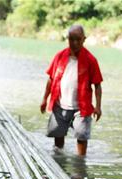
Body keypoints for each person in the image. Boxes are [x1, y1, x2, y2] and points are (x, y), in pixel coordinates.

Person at [40, 24, 103, 156]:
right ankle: (58, 160)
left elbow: (97, 85)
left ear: (84, 39)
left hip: (81, 108)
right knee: (58, 138)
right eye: (71, 39)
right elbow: (51, 79)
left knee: (82, 137)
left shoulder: (90, 60)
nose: (74, 43)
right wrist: (45, 99)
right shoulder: (60, 56)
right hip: (60, 105)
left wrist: (98, 107)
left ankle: (80, 163)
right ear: (67, 39)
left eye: (78, 39)